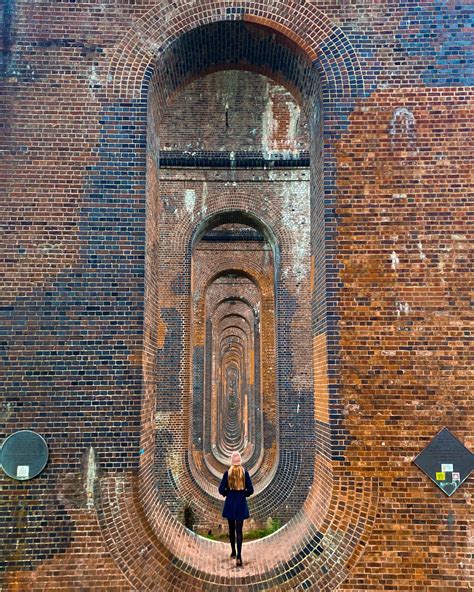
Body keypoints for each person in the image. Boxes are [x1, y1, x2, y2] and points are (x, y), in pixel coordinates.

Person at [218, 451, 254, 567]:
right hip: (240, 503)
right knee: (239, 531)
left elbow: (220, 489)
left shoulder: (227, 474)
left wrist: (226, 493)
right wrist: (244, 494)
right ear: (240, 461)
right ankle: (239, 556)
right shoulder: (245, 473)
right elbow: (251, 490)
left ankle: (233, 551)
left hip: (230, 503)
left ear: (232, 462)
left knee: (231, 529)